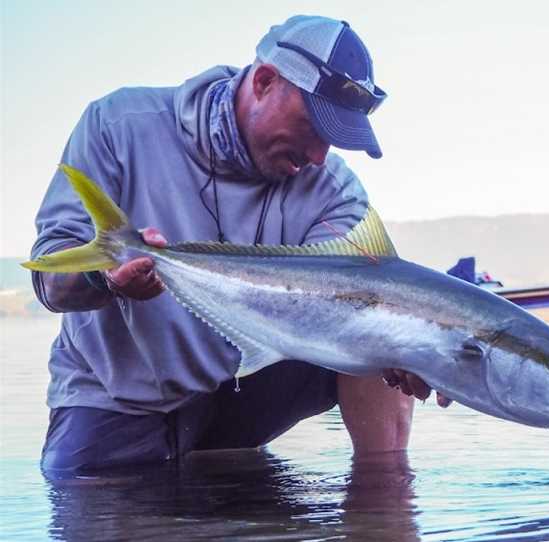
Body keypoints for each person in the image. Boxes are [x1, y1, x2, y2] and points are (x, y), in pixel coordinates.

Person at [30, 15, 447, 480]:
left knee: (382, 316)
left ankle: (384, 497)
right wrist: (103, 277)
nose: (318, 157)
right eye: (314, 127)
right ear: (265, 81)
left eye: (335, 140)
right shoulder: (119, 124)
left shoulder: (334, 190)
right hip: (117, 397)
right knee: (80, 502)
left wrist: (422, 355)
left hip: (248, 384)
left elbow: (366, 296)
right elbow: (49, 283)